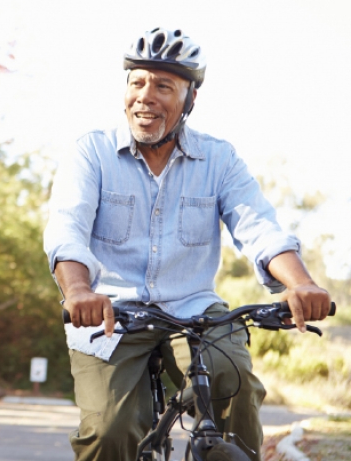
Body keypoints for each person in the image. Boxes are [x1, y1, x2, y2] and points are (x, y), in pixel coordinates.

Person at [43, 27, 332, 461]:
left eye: (163, 86)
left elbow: (258, 226)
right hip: (110, 317)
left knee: (234, 386)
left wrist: (300, 283)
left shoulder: (218, 159)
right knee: (110, 431)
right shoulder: (93, 153)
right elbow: (67, 228)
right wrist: (79, 291)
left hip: (194, 309)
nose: (146, 95)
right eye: (137, 82)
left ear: (190, 99)